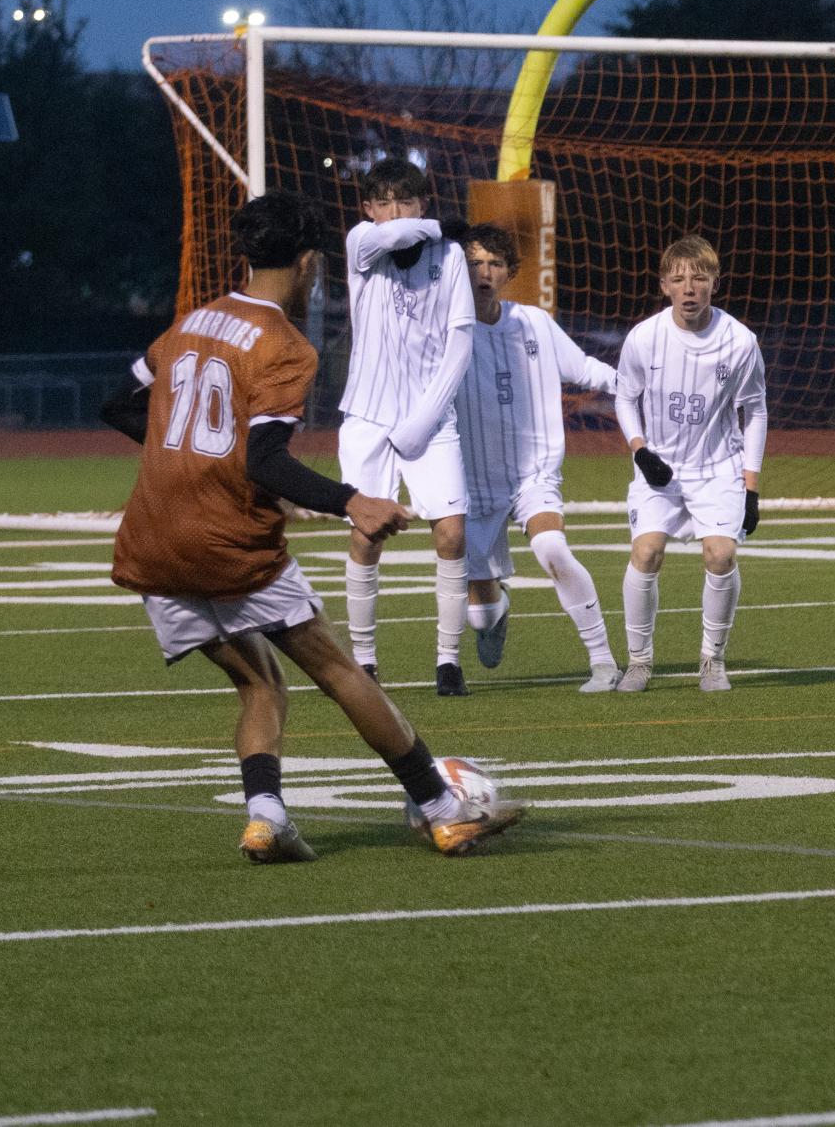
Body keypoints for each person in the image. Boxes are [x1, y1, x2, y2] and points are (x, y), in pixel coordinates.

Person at [100, 190, 520, 861]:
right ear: (304, 263)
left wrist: (187, 462)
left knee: (258, 682)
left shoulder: (189, 324)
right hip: (227, 541)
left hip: (151, 539)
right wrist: (353, 501)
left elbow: (120, 403)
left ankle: (265, 819)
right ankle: (443, 809)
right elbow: (264, 460)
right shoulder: (284, 346)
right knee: (338, 669)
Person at [451, 223, 623, 693]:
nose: (484, 273)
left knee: (552, 549)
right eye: (474, 263)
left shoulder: (535, 324)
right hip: (473, 481)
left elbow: (584, 369)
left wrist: (635, 385)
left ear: (509, 273)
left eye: (495, 264)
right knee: (480, 612)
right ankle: (495, 608)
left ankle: (604, 664)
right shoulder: (446, 332)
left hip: (534, 473)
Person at [334, 160, 477, 697]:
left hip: (431, 418)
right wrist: (442, 225)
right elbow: (395, 235)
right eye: (385, 202)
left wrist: (422, 420)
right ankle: (364, 663)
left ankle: (447, 661)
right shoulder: (362, 243)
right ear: (369, 210)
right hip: (367, 416)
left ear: (424, 203)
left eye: (408, 201)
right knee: (367, 534)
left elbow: (459, 342)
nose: (396, 213)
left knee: (453, 534)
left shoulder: (451, 257)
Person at [612, 234, 768, 694]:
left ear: (714, 284)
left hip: (718, 467)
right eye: (678, 278)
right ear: (664, 285)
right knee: (646, 553)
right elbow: (625, 398)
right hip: (659, 468)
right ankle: (639, 663)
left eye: (699, 278)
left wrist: (751, 487)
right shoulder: (644, 338)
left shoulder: (739, 342)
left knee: (721, 554)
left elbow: (754, 411)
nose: (689, 287)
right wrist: (640, 450)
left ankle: (712, 660)